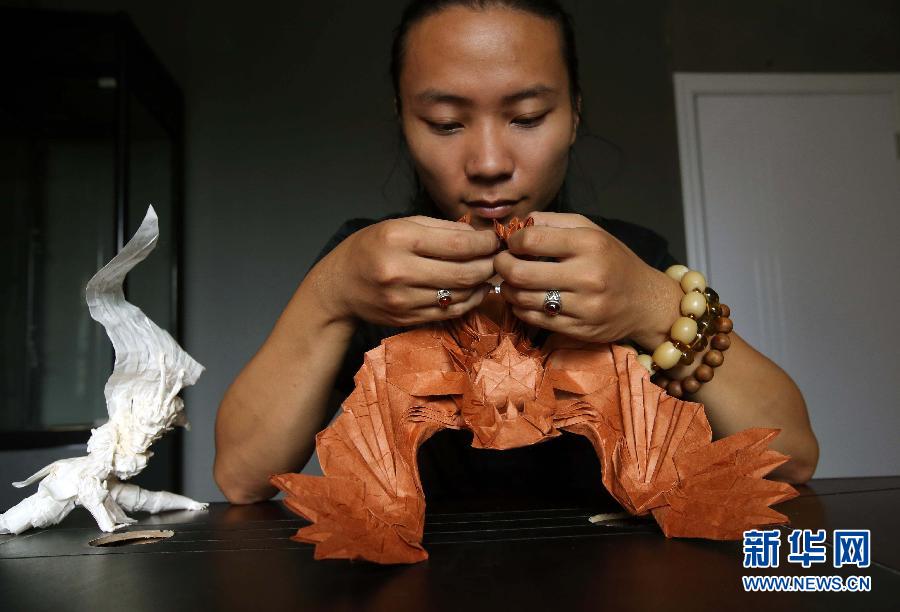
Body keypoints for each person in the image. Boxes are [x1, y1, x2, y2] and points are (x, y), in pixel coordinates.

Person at [214, 0, 819, 505]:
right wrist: (330, 292)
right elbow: (241, 477)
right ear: (403, 120)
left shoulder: (629, 256)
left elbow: (792, 458)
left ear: (575, 114)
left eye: (527, 117)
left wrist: (654, 304)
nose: (489, 163)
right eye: (446, 123)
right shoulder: (371, 268)